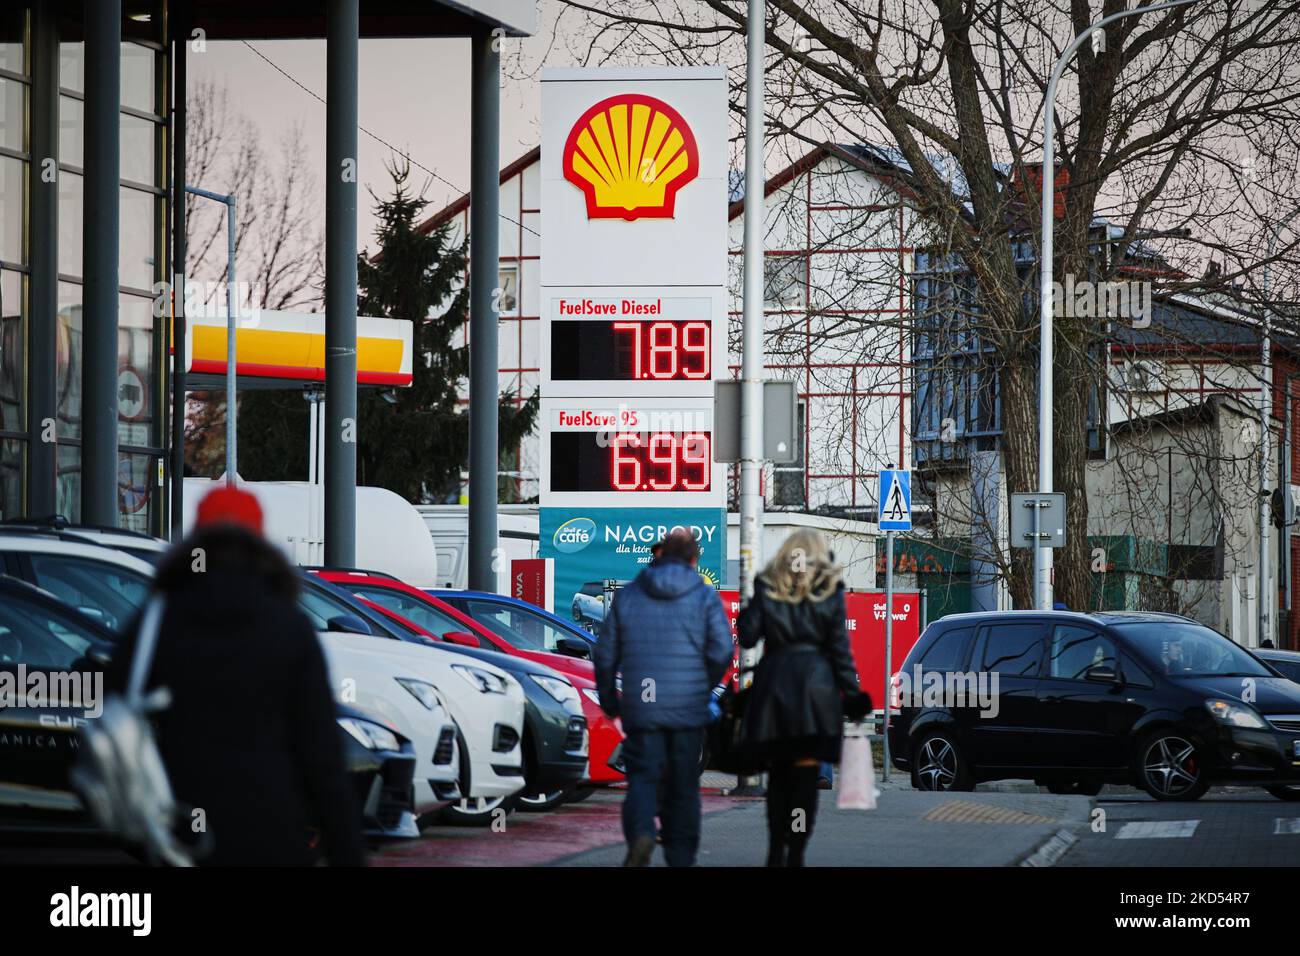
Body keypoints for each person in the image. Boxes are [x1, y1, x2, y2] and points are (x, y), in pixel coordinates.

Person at [106, 485, 364, 866]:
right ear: (261, 545)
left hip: (181, 831)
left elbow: (118, 702)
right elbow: (321, 756)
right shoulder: (289, 626)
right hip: (272, 833)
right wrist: (347, 854)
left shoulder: (158, 621)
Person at [594, 529, 733, 867]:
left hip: (642, 706)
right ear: (694, 560)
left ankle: (642, 833)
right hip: (687, 710)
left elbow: (605, 652)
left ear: (659, 556)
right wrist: (701, 687)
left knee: (642, 778)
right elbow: (722, 650)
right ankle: (680, 855)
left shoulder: (630, 595)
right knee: (683, 787)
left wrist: (611, 700)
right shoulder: (703, 596)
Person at [738, 529, 870, 867]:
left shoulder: (768, 586)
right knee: (804, 781)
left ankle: (774, 847)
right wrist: (852, 695)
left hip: (775, 687)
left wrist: (757, 596)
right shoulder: (830, 591)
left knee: (780, 775)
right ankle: (796, 849)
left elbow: (749, 636)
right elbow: (840, 648)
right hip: (816, 689)